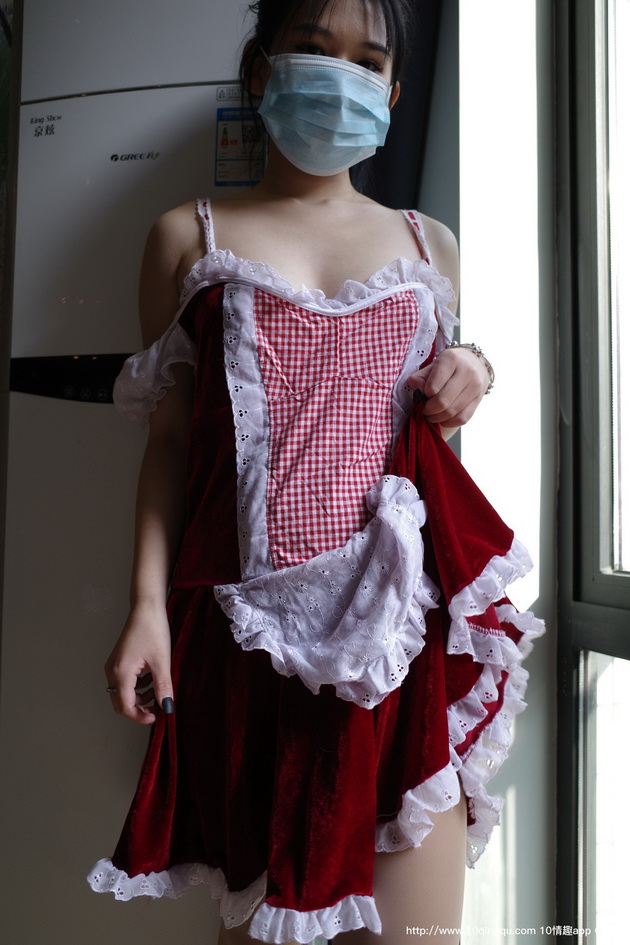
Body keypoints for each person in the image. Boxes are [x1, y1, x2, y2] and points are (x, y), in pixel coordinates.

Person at [88, 2, 544, 943]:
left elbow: (429, 427)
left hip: (398, 644)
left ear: (395, 93)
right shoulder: (187, 237)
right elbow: (171, 443)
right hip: (248, 644)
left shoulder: (429, 245)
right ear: (262, 70)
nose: (341, 75)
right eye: (313, 48)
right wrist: (143, 607)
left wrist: (477, 366)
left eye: (368, 60)